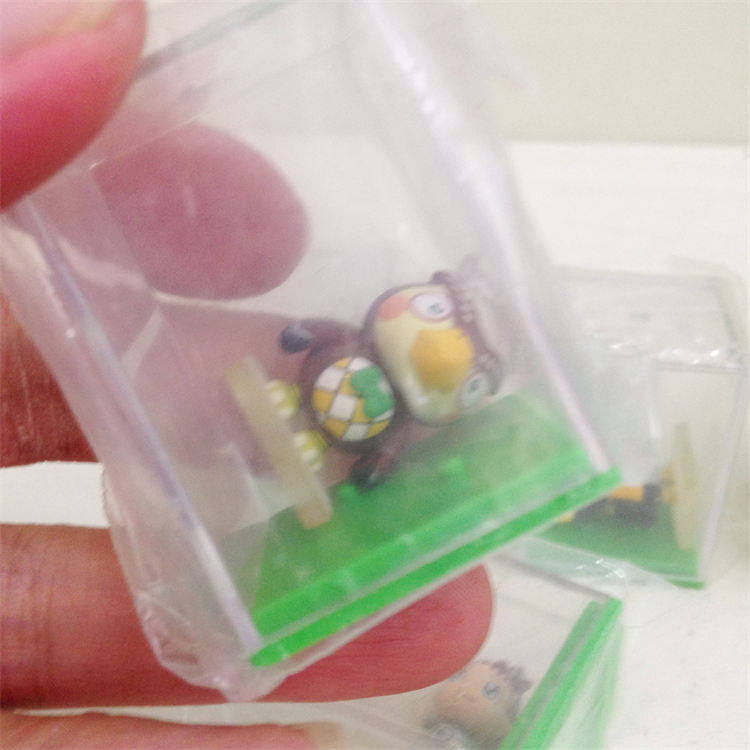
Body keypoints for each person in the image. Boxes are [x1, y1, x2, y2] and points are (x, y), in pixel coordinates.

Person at [0, 2, 492, 747]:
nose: (438, 347)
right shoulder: (354, 340)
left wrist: (382, 454)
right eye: (432, 310)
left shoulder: (407, 399)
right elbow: (325, 339)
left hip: (339, 420)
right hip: (313, 399)